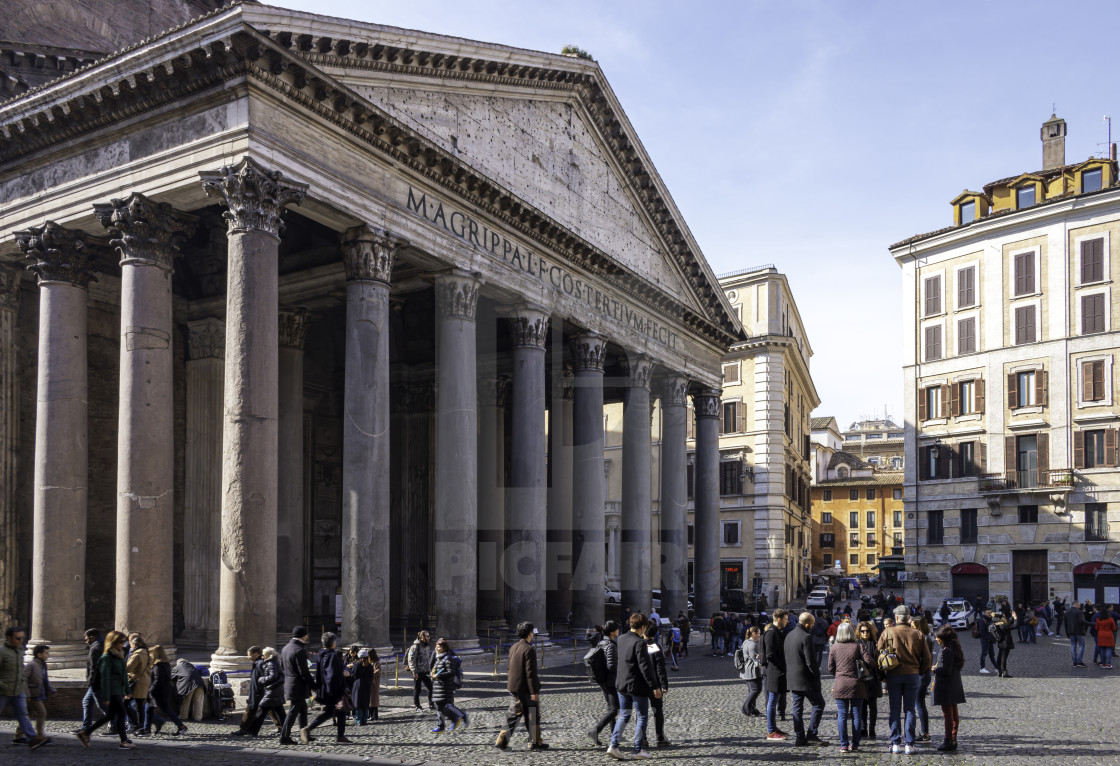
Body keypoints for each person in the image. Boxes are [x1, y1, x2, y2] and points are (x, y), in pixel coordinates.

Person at [877, 605, 931, 755]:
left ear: (896, 618)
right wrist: (919, 671)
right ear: (908, 618)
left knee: (894, 709)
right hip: (913, 675)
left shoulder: (888, 632)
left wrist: (882, 676)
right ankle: (909, 744)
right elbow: (927, 658)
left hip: (893, 675)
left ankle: (895, 743)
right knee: (910, 710)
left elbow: (878, 655)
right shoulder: (918, 634)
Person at [606, 612, 660, 760]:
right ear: (643, 627)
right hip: (637, 685)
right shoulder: (640, 642)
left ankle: (613, 745)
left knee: (624, 715)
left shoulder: (621, 638)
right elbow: (645, 667)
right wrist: (655, 686)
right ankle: (638, 750)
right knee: (642, 716)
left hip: (622, 684)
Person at [76, 630, 134, 749]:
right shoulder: (106, 657)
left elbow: (123, 674)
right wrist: (106, 697)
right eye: (120, 642)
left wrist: (127, 691)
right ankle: (124, 741)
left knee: (111, 715)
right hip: (110, 690)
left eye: (123, 642)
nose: (123, 644)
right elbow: (105, 678)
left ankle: (85, 733)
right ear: (113, 642)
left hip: (117, 689)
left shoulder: (119, 654)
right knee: (121, 713)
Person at [494, 622, 547, 751]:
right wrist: (534, 691)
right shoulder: (529, 649)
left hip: (514, 687)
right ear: (530, 633)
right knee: (532, 715)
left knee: (513, 715)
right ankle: (535, 743)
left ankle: (501, 741)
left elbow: (509, 667)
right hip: (526, 689)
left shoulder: (514, 647)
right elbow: (530, 673)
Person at [828, 621, 873, 753]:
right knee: (856, 714)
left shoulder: (835, 647)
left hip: (840, 684)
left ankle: (843, 745)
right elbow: (870, 662)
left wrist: (839, 673)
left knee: (842, 715)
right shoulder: (858, 646)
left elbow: (830, 668)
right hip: (857, 684)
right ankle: (855, 744)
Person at [300, 631, 351, 744]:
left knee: (335, 712)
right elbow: (332, 674)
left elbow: (321, 673)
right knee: (336, 711)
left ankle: (340, 736)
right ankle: (309, 729)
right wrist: (343, 674)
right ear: (333, 643)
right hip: (333, 690)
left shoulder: (321, 655)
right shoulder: (332, 656)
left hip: (325, 689)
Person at [785, 612, 827, 747]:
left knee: (797, 708)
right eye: (812, 624)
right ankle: (812, 735)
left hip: (793, 678)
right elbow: (811, 662)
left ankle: (800, 737)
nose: (813, 626)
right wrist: (817, 677)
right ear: (807, 624)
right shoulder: (806, 637)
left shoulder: (789, 635)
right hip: (806, 679)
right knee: (819, 704)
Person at [1, 626, 46, 749]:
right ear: (9, 638)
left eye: (22, 638)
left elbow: (20, 671)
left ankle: (33, 739)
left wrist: (24, 690)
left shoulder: (20, 650)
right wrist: (3, 685)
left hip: (18, 691)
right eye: (18, 638)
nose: (21, 640)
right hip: (3, 691)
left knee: (23, 715)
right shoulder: (2, 652)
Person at [232, 647, 281, 736]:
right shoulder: (259, 663)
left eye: (250, 654)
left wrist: (262, 687)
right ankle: (281, 727)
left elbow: (266, 678)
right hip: (260, 691)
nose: (248, 657)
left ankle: (243, 729)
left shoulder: (260, 663)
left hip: (258, 692)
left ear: (256, 653)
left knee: (250, 710)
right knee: (270, 709)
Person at [279, 625, 315, 745]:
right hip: (298, 686)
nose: (307, 637)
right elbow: (303, 671)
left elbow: (282, 668)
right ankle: (284, 736)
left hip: (290, 683)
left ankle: (305, 734)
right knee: (293, 711)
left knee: (302, 709)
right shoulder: (299, 650)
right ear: (304, 636)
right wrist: (313, 684)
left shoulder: (285, 648)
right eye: (307, 635)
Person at [932, 625, 966, 752]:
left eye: (937, 637)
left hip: (946, 685)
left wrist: (934, 669)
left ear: (943, 638)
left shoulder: (947, 650)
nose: (936, 639)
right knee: (953, 712)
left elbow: (946, 670)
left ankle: (948, 740)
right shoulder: (954, 648)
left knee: (948, 714)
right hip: (954, 684)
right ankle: (953, 738)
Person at [587, 620, 620, 746]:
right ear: (612, 632)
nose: (618, 631)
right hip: (610, 681)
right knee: (614, 709)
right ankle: (595, 730)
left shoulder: (601, 642)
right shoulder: (611, 645)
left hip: (603, 680)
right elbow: (611, 665)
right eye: (617, 629)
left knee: (611, 708)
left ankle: (614, 735)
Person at [145, 645, 187, 736]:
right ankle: (146, 729)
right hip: (165, 689)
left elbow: (157, 679)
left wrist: (151, 690)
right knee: (150, 709)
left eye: (151, 654)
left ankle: (181, 726)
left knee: (164, 709)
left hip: (159, 691)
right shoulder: (165, 664)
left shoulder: (158, 666)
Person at [761, 609, 789, 740]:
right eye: (785, 619)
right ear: (778, 619)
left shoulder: (777, 632)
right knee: (772, 702)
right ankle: (771, 731)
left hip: (777, 672)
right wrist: (782, 666)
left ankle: (773, 727)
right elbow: (770, 655)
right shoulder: (771, 633)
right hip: (774, 672)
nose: (787, 621)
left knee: (774, 700)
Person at [641, 621, 671, 748]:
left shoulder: (639, 645)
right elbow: (660, 668)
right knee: (657, 711)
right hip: (655, 684)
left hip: (642, 683)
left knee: (641, 713)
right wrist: (664, 685)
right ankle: (660, 737)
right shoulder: (655, 646)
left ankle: (643, 739)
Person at [429, 638, 468, 732]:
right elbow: (433, 667)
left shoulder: (447, 658)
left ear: (444, 648)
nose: (436, 648)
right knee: (439, 706)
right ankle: (442, 726)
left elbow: (451, 672)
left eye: (439, 647)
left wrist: (439, 676)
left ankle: (456, 717)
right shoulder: (438, 657)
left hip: (445, 687)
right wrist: (432, 675)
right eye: (436, 646)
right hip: (438, 686)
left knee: (443, 706)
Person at [856, 621, 882, 740]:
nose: (865, 633)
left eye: (867, 631)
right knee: (862, 706)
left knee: (873, 706)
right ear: (859, 632)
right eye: (863, 631)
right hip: (861, 678)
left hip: (873, 678)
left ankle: (872, 729)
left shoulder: (875, 644)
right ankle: (863, 728)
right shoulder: (857, 644)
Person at [912, 617, 933, 743]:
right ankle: (925, 732)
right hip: (923, 673)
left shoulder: (923, 639)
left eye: (914, 626)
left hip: (921, 673)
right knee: (919, 704)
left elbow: (923, 659)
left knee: (919, 704)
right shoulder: (926, 637)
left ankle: (925, 733)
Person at [125, 633, 152, 734]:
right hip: (145, 681)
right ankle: (141, 728)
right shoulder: (147, 652)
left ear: (134, 645)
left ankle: (135, 724)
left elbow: (128, 668)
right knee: (140, 705)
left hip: (135, 682)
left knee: (125, 703)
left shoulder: (137, 654)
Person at [350, 648, 381, 724]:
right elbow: (371, 675)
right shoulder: (369, 665)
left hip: (358, 685)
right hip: (367, 684)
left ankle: (359, 720)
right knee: (365, 702)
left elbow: (353, 675)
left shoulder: (356, 664)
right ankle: (364, 719)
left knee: (358, 702)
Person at [82, 629, 105, 730]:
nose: (86, 641)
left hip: (96, 682)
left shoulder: (95, 648)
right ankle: (86, 726)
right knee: (87, 701)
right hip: (97, 681)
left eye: (86, 638)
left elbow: (94, 668)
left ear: (92, 637)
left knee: (103, 706)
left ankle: (115, 725)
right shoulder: (100, 646)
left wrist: (90, 681)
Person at [406, 630, 435, 711]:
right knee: (417, 689)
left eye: (429, 636)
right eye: (427, 636)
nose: (429, 638)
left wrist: (430, 669)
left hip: (426, 671)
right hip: (418, 672)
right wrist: (414, 672)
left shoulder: (427, 646)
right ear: (422, 637)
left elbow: (428, 659)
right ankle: (417, 705)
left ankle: (431, 704)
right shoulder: (415, 647)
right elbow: (411, 660)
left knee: (431, 688)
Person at [740, 626, 763, 717]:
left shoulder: (746, 642)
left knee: (752, 690)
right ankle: (745, 708)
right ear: (754, 633)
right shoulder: (753, 644)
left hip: (747, 669)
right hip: (752, 670)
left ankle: (752, 709)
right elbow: (755, 660)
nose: (759, 635)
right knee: (756, 690)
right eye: (758, 633)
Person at [171, 657, 205, 722]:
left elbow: (172, 677)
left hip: (188, 685)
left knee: (186, 700)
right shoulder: (191, 666)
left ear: (178, 663)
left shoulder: (177, 667)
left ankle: (183, 716)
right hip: (200, 684)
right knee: (198, 701)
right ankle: (198, 717)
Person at [989, 610, 1016, 678]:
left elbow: (1008, 622)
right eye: (1003, 615)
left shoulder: (998, 623)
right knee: (1003, 658)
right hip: (1006, 642)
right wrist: (1015, 618)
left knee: (1000, 657)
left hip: (1001, 642)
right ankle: (1004, 673)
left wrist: (1012, 617)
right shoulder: (1003, 625)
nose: (1004, 615)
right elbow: (1014, 625)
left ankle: (1000, 672)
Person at [1065, 602, 1088, 668]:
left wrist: (1067, 633)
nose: (1079, 606)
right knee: (1081, 646)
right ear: (1075, 604)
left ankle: (1074, 662)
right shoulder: (1078, 612)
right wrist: (1090, 623)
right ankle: (1079, 661)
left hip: (1071, 632)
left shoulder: (1067, 612)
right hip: (1079, 631)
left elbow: (1065, 624)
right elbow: (1081, 621)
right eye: (1079, 605)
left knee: (1073, 646)